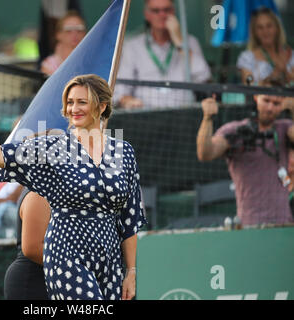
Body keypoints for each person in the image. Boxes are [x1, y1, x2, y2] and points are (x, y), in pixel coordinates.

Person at [0, 64, 146, 300]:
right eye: (70, 102)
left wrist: (131, 271)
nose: (74, 108)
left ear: (102, 106)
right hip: (66, 254)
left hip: (110, 260)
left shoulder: (122, 152)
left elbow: (129, 219)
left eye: (82, 102)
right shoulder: (54, 149)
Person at [196, 78, 294, 226]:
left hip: (283, 224)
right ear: (256, 97)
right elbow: (205, 153)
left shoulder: (285, 128)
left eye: (276, 103)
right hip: (249, 223)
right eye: (266, 100)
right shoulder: (235, 130)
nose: (270, 108)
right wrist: (207, 118)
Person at [114, 0, 211, 110]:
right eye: (156, 11)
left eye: (166, 10)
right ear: (147, 15)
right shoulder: (132, 47)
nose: (162, 15)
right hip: (145, 114)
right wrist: (127, 100)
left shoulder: (190, 42)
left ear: (173, 12)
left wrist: (180, 42)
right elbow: (120, 90)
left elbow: (204, 76)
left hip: (183, 112)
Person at [4, 188, 50, 299]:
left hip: (49, 278)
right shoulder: (38, 192)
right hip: (33, 280)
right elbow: (33, 249)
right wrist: (76, 265)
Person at [237, 8, 294, 85]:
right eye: (260, 27)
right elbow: (248, 85)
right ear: (255, 32)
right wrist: (273, 75)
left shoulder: (291, 55)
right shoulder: (247, 58)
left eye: (269, 26)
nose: (265, 31)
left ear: (277, 28)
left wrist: (285, 71)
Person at [40, 10, 86, 75]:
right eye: (68, 30)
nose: (75, 34)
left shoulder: (92, 60)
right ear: (58, 34)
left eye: (79, 30)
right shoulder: (49, 65)